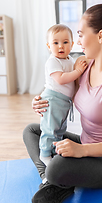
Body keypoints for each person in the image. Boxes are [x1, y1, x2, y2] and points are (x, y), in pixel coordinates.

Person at [23, 4, 102, 203]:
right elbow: (59, 86)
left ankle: (56, 178)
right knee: (32, 131)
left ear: (101, 36)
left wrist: (81, 151)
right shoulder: (83, 65)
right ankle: (52, 180)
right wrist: (42, 100)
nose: (77, 41)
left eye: (80, 34)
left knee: (58, 166)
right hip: (86, 145)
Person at [38, 24, 87, 166]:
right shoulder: (53, 61)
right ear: (49, 46)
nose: (61, 46)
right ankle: (45, 154)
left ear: (71, 45)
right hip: (53, 99)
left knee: (60, 128)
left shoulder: (70, 60)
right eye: (55, 43)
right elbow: (60, 79)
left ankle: (54, 148)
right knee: (50, 127)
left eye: (65, 42)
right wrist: (77, 71)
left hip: (64, 102)